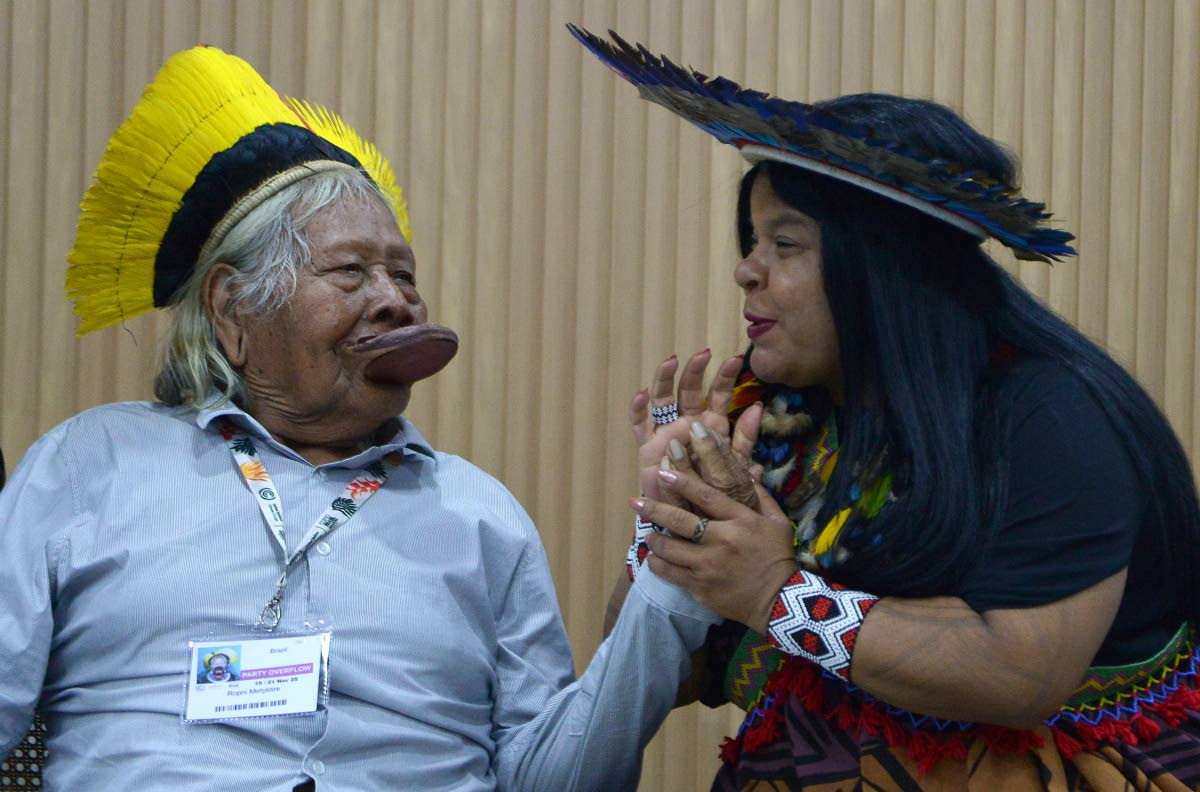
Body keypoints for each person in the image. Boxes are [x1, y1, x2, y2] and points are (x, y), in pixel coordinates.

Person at [0, 45, 719, 791]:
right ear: (232, 310)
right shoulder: (92, 462)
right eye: (350, 273)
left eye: (403, 275)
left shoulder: (481, 518)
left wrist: (672, 574)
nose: (395, 301)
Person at [571, 25, 1200, 791]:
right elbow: (652, 679)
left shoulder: (1054, 418)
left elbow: (1017, 675)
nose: (746, 270)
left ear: (884, 270)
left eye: (786, 244)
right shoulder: (775, 423)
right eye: (753, 241)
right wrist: (671, 520)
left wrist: (775, 592)